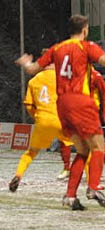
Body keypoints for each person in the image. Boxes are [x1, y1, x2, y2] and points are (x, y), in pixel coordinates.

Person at [16, 14, 105, 210]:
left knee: (82, 150)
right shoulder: (86, 46)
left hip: (62, 105)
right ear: (85, 30)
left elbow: (33, 69)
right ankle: (92, 188)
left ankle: (70, 195)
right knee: (98, 146)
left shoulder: (55, 48)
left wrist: (25, 62)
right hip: (80, 102)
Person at [8, 61, 74, 193]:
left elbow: (28, 105)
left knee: (30, 153)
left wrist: (36, 117)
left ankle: (18, 175)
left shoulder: (33, 81)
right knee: (84, 149)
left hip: (42, 121)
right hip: (59, 119)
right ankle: (91, 184)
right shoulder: (62, 78)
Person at [57, 67, 105, 182]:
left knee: (97, 143)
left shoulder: (95, 75)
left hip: (91, 113)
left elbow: (104, 92)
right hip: (75, 112)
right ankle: (67, 168)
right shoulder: (72, 76)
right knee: (65, 139)